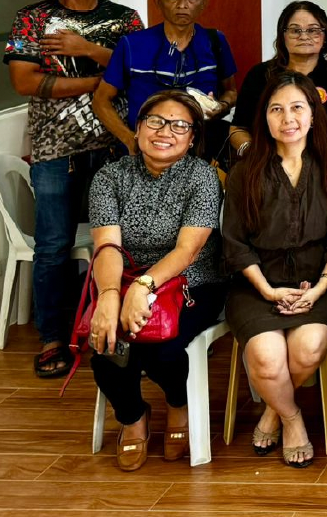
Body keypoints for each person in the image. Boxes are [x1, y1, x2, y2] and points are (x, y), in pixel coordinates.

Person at [4, 0, 142, 379]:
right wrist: (101, 80)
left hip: (117, 146)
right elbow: (25, 82)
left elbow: (139, 72)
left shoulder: (125, 19)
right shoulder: (33, 18)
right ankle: (53, 338)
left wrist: (87, 50)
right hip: (54, 149)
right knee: (53, 245)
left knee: (126, 241)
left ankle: (123, 332)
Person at [85, 91, 229, 471]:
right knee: (105, 343)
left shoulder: (201, 177)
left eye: (180, 125)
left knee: (164, 349)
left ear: (192, 138)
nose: (166, 131)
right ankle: (133, 416)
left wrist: (143, 287)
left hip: (192, 282)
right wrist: (109, 295)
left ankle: (178, 403)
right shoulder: (109, 177)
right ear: (138, 128)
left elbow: (188, 251)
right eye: (156, 121)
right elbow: (107, 246)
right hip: (121, 277)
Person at [222, 71, 327, 468]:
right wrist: (267, 290)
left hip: (320, 282)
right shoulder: (246, 170)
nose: (288, 118)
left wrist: (320, 288)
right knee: (266, 358)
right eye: (276, 109)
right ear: (264, 117)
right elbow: (235, 242)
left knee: (306, 347)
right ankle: (292, 418)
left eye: (297, 107)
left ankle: (271, 411)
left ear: (313, 114)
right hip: (256, 284)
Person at [93, 0, 237, 157]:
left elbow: (231, 91)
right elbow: (101, 101)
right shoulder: (132, 45)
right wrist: (129, 139)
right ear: (157, 0)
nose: (182, 5)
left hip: (201, 151)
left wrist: (221, 106)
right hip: (147, 153)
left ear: (204, 2)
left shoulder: (215, 41)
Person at [229, 1, 327, 156]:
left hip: (324, 160)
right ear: (283, 36)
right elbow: (237, 129)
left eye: (313, 30)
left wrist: (313, 158)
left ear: (325, 36)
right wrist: (254, 154)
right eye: (295, 30)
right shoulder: (259, 75)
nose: (304, 36)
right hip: (266, 160)